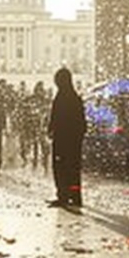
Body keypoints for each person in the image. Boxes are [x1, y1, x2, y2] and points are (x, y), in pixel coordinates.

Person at [47, 66, 86, 207]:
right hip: (74, 140)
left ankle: (63, 194)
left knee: (60, 167)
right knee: (74, 168)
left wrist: (51, 129)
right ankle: (75, 196)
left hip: (62, 139)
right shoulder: (75, 97)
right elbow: (81, 121)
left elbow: (56, 117)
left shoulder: (61, 97)